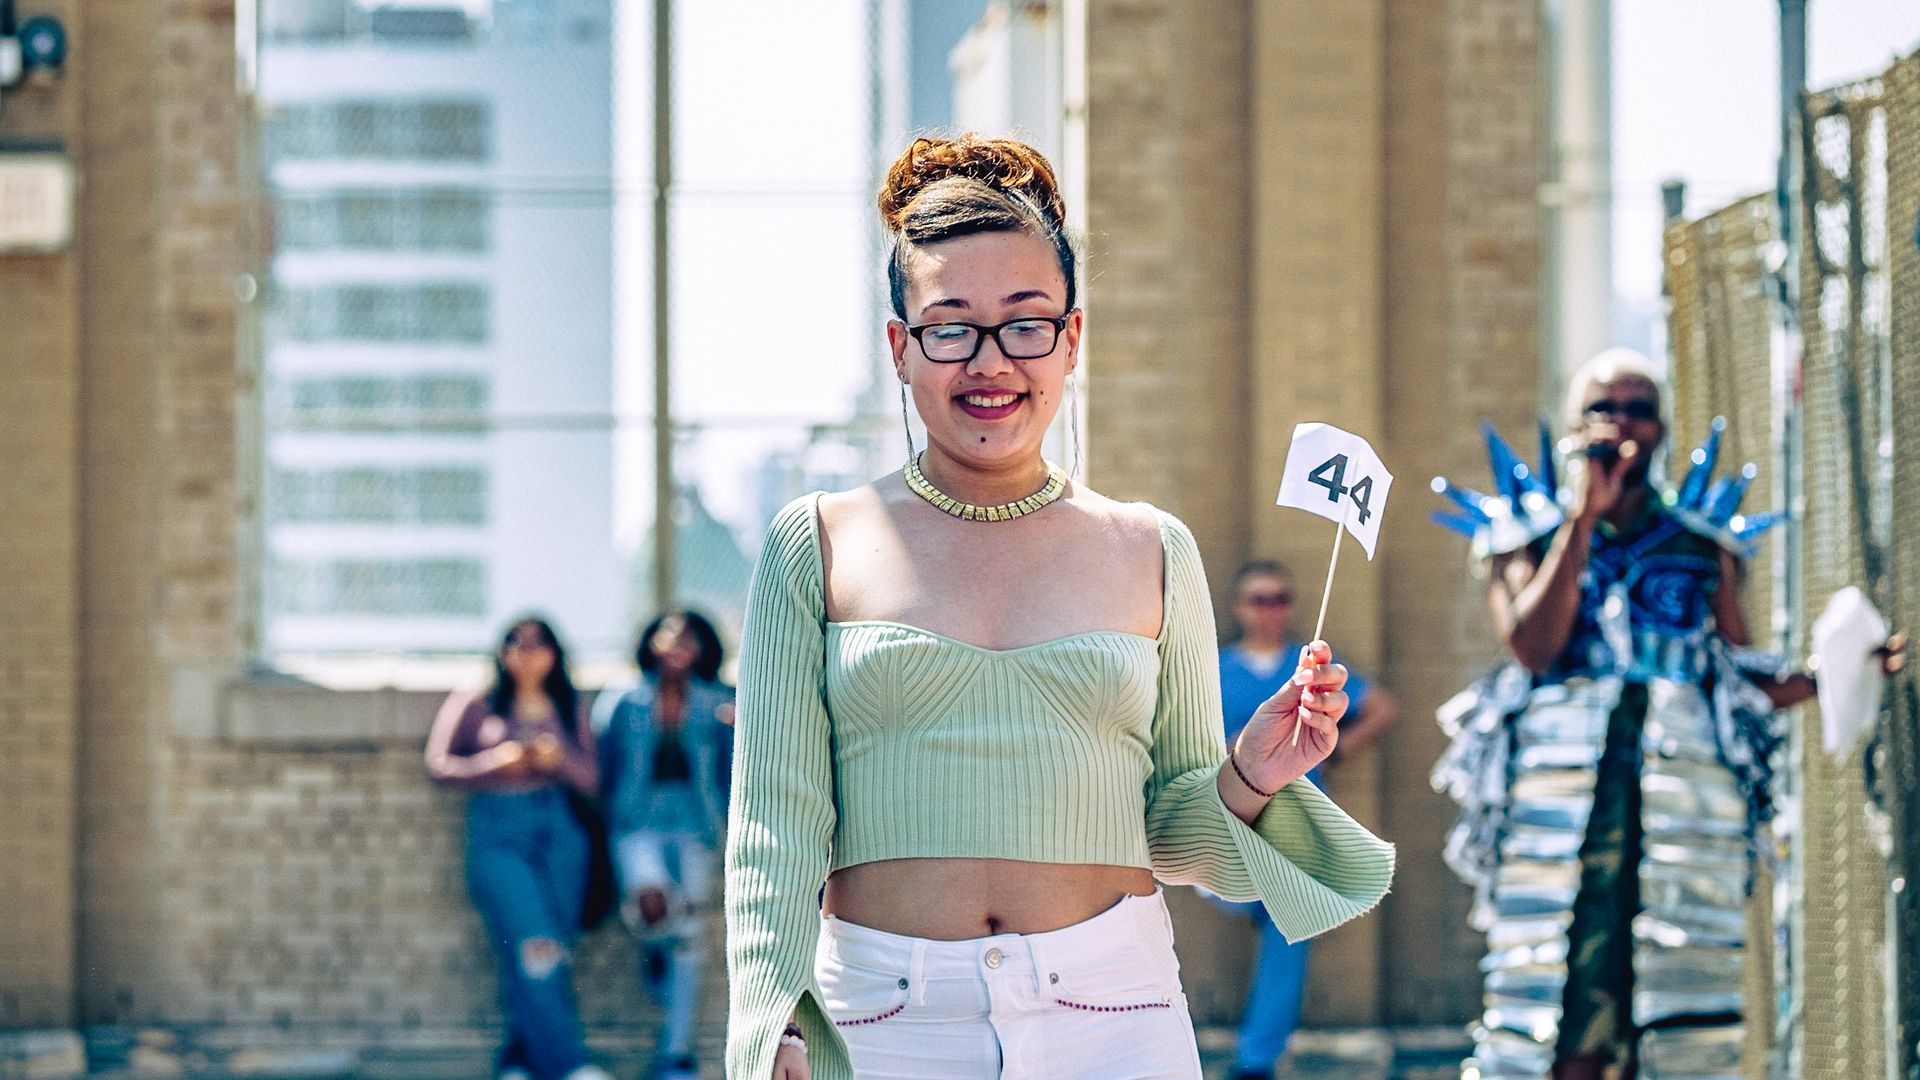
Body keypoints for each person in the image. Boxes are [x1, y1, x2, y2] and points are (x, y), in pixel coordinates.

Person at [724, 134, 1396, 1080]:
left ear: (1071, 340)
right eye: (950, 326)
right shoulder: (819, 540)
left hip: (1116, 1014)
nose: (991, 361)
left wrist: (1251, 772)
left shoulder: (1152, 547)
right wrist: (771, 1025)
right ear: (900, 349)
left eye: (1026, 323)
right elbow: (773, 828)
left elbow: (1168, 832)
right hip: (881, 1022)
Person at [1431, 350, 1908, 1080]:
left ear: (1661, 429)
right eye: (1603, 407)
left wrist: (1833, 674)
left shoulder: (1701, 545)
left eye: (1639, 407)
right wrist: (1582, 521)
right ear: (1572, 428)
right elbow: (1533, 646)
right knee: (1554, 1008)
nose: (1621, 421)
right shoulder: (1523, 537)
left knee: (1673, 1013)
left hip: (1682, 810)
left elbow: (1735, 674)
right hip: (1562, 817)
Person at [1217, 560, 1398, 1080]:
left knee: (1287, 933)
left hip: (1293, 828)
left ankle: (1255, 1060)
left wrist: (1335, 752)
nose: (1269, 608)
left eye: (1279, 598)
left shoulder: (1309, 674)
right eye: (1258, 598)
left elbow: (1383, 707)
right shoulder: (1215, 668)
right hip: (1227, 824)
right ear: (1239, 608)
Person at [424, 617, 611, 1080]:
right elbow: (439, 765)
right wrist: (496, 762)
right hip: (500, 831)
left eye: (539, 643)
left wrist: (558, 758)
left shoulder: (569, 704)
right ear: (502, 652)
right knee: (536, 947)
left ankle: (519, 1060)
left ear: (555, 653)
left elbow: (593, 778)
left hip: (560, 834)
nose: (528, 653)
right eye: (517, 643)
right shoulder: (478, 700)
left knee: (544, 952)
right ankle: (571, 1066)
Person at [599, 610, 735, 1080]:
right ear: (651, 642)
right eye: (669, 636)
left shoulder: (718, 702)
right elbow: (605, 765)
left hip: (696, 824)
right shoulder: (624, 701)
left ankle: (675, 1055)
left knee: (691, 939)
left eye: (689, 639)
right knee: (653, 902)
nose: (678, 646)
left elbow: (735, 771)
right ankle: (656, 947)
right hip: (638, 822)